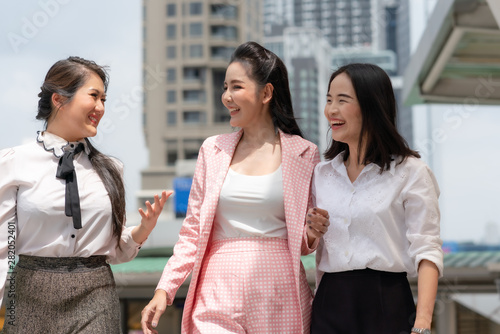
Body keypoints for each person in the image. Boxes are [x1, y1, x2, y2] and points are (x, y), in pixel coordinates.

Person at [140, 41, 328, 334]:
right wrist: (164, 289)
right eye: (225, 87)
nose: (226, 96)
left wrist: (313, 233)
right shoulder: (212, 149)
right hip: (216, 289)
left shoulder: (304, 153)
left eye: (236, 87)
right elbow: (192, 231)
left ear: (266, 93)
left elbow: (302, 243)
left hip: (279, 293)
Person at [0, 56, 172, 334]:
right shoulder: (13, 162)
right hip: (30, 294)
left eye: (105, 99)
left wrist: (142, 230)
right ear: (59, 99)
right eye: (94, 96)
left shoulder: (111, 169)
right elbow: (4, 248)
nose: (101, 108)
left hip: (96, 293)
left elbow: (114, 251)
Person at [308, 63, 443, 334]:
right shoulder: (321, 174)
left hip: (387, 304)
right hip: (329, 303)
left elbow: (427, 249)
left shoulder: (411, 172)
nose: (330, 110)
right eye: (329, 100)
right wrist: (311, 231)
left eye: (342, 100)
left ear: (372, 106)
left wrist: (423, 324)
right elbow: (311, 244)